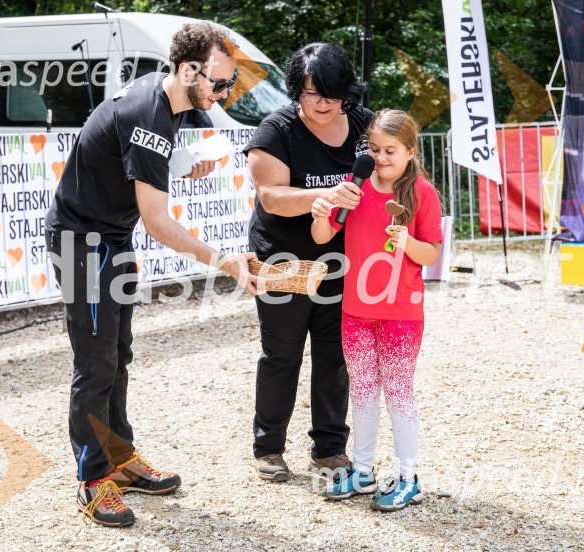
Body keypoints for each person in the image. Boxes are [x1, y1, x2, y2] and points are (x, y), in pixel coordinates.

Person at [45, 22, 260, 527]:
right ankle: (91, 481)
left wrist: (180, 165)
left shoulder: (170, 100)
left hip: (109, 237)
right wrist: (224, 261)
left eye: (229, 83)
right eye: (220, 82)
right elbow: (158, 222)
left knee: (117, 354)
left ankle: (119, 460)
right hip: (82, 241)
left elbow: (135, 159)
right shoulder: (149, 113)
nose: (224, 92)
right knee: (95, 363)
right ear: (188, 71)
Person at [243, 42, 372, 481]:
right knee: (281, 354)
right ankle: (269, 448)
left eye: (331, 94)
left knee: (335, 357)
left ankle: (330, 448)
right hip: (284, 261)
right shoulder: (275, 131)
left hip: (342, 260)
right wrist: (328, 194)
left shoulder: (362, 122)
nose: (321, 103)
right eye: (310, 93)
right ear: (296, 90)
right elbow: (272, 197)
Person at [310, 109, 443, 511]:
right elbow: (322, 235)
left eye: (390, 150)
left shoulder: (422, 193)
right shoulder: (354, 188)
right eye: (375, 149)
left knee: (399, 393)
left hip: (401, 314)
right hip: (356, 311)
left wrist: (406, 241)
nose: (381, 158)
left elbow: (432, 254)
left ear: (410, 151)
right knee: (363, 392)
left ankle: (408, 477)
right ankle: (364, 470)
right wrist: (321, 212)